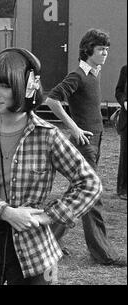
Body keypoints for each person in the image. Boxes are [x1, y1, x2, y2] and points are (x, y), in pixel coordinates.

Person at [0, 48, 103, 285]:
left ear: (28, 86)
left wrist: (49, 216)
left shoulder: (48, 136)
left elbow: (90, 184)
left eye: (4, 86)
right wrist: (6, 212)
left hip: (34, 250)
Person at [45, 29, 127, 266]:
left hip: (96, 141)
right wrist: (74, 128)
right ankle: (104, 253)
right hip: (85, 144)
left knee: (78, 193)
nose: (105, 53)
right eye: (101, 49)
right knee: (92, 195)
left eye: (107, 50)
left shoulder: (94, 73)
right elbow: (52, 99)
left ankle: (49, 240)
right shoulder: (78, 75)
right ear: (88, 49)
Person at [115, 64, 127, 200]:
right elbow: (118, 91)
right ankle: (123, 189)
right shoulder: (125, 69)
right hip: (126, 120)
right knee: (125, 154)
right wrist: (124, 102)